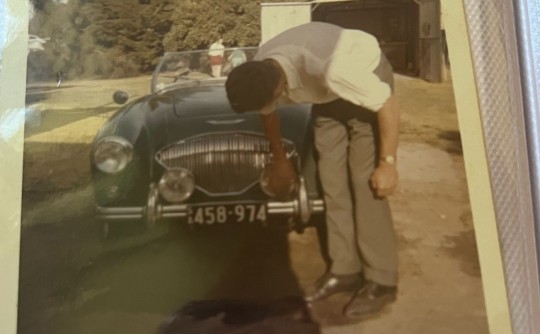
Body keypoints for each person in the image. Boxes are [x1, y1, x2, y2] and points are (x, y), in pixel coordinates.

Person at [225, 22, 400, 320]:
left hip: (363, 76)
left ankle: (382, 281)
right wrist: (279, 161)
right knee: (330, 180)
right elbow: (267, 114)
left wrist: (388, 163)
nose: (270, 107)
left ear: (278, 88)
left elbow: (387, 104)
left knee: (364, 181)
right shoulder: (262, 68)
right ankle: (345, 270)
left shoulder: (334, 69)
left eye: (272, 100)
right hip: (326, 95)